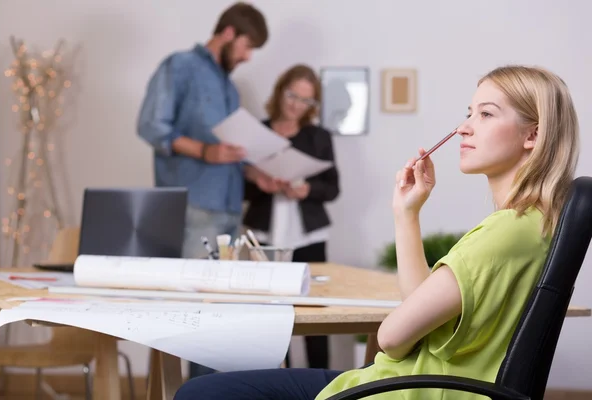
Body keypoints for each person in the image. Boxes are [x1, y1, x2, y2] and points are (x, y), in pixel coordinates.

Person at [173, 64, 580, 400]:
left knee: (201, 393)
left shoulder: (503, 231)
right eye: (468, 112)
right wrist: (406, 213)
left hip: (399, 392)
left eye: (486, 114)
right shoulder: (535, 226)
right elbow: (418, 308)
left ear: (533, 135)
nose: (463, 128)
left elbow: (391, 335)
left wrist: (405, 335)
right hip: (412, 386)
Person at [136, 2, 268, 378]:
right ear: (228, 33)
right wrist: (205, 150)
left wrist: (260, 176)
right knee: (199, 312)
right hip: (194, 208)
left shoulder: (227, 86)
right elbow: (151, 126)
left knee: (221, 312)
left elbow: (233, 151)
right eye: (246, 47)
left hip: (228, 211)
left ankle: (213, 389)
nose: (245, 58)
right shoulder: (179, 67)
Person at [243, 64, 340, 369]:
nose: (296, 105)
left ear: (313, 105)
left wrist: (306, 188)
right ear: (280, 90)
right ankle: (277, 385)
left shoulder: (318, 137)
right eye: (292, 95)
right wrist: (261, 182)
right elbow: (240, 190)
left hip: (307, 235)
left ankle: (322, 387)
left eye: (306, 101)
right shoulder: (257, 131)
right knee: (269, 317)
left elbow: (333, 188)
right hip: (264, 236)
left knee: (314, 316)